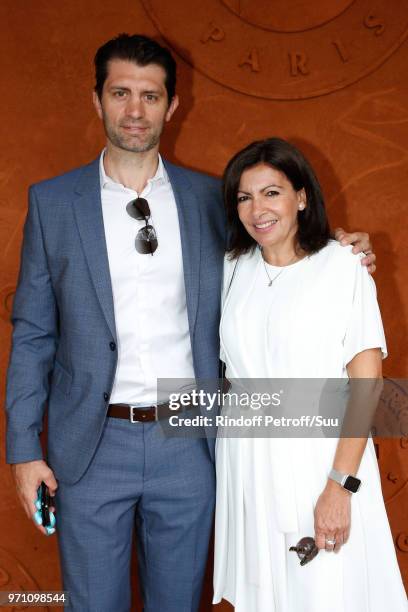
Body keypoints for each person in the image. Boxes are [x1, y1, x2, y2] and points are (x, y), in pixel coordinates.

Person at [5, 33, 375, 612]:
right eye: (120, 92)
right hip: (89, 445)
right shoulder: (53, 204)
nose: (135, 110)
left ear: (171, 106)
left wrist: (342, 251)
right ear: (96, 99)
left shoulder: (211, 200)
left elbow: (280, 257)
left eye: (150, 96)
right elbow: (31, 334)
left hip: (192, 439)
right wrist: (24, 451)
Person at [213, 137, 408, 611]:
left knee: (326, 593)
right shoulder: (232, 267)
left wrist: (340, 487)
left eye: (271, 192)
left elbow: (366, 385)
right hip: (246, 464)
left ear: (302, 197)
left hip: (320, 463)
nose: (257, 208)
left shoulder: (344, 267)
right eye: (244, 196)